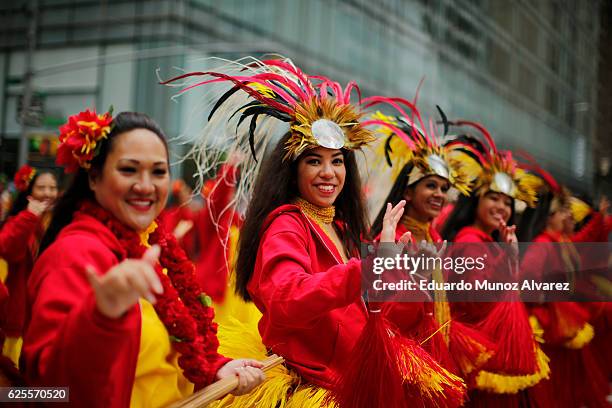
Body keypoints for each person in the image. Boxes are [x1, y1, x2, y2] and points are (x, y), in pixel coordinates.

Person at [161, 57, 465, 407]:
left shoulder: (341, 227)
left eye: (337, 161)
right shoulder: (286, 224)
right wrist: (368, 268)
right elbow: (286, 299)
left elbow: (379, 315)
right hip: (312, 387)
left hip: (349, 380)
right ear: (293, 169)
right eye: (313, 160)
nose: (328, 172)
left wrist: (409, 274)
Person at [22, 110, 265, 408]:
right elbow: (43, 392)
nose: (146, 185)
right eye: (129, 170)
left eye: (159, 172)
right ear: (94, 177)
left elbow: (169, 357)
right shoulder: (74, 255)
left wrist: (215, 368)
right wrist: (101, 315)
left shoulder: (153, 245)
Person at [365, 107, 493, 381]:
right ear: (408, 192)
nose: (439, 194)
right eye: (431, 186)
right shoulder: (390, 239)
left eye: (445, 188)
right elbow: (383, 314)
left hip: (434, 354)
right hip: (401, 363)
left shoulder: (436, 240)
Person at [441, 122, 549, 407]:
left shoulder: (486, 241)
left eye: (507, 202)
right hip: (479, 353)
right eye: (493, 198)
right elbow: (477, 298)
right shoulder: (470, 242)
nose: (501, 207)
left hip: (487, 351)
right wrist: (507, 259)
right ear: (475, 201)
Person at [518, 165, 609, 408]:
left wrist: (600, 220)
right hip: (546, 321)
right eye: (563, 213)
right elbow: (527, 281)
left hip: (557, 316)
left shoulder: (558, 242)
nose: (568, 217)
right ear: (549, 216)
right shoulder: (543, 244)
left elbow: (584, 241)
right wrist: (548, 297)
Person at [0, 165, 57, 365]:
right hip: (19, 317)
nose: (48, 193)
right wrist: (29, 216)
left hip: (46, 317)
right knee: (12, 390)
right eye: (41, 188)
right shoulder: (20, 220)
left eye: (52, 188)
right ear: (29, 191)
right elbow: (6, 247)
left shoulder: (57, 221)